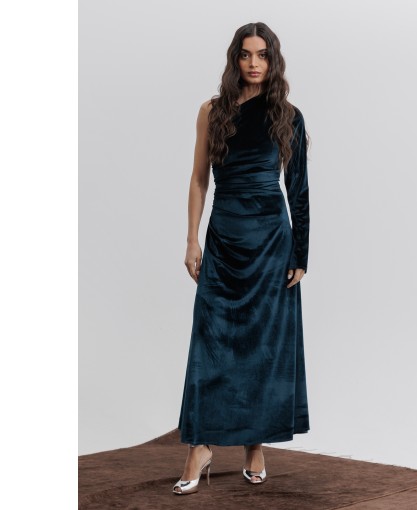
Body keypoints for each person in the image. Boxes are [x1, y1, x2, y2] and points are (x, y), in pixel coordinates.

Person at [173, 22, 311, 495]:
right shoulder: (212, 111)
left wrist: (301, 252)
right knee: (210, 341)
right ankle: (200, 445)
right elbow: (198, 180)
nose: (254, 63)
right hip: (225, 239)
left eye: (263, 55)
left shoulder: (288, 116)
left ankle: (256, 443)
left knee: (264, 347)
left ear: (273, 61)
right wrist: (192, 240)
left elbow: (298, 188)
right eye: (247, 54)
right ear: (235, 59)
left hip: (272, 243)